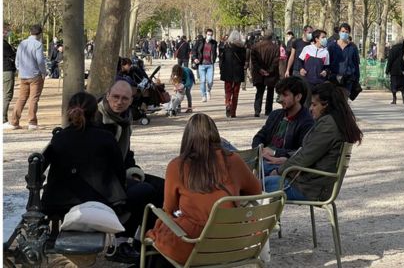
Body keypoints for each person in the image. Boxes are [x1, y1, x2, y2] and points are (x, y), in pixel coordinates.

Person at [146, 113, 262, 266]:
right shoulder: (233, 160)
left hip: (195, 244)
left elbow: (170, 208)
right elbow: (256, 190)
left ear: (187, 137)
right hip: (232, 242)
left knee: (159, 230)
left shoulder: (178, 166)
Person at [96, 81, 165, 261]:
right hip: (99, 178)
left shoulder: (125, 118)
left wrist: (134, 171)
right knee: (143, 192)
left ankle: (143, 240)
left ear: (131, 100)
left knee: (162, 187)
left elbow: (126, 153)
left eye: (125, 98)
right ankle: (119, 244)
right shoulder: (97, 118)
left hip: (120, 172)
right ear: (108, 95)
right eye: (116, 97)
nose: (119, 102)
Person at [263, 82, 363, 201]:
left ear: (325, 105)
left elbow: (306, 156)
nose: (310, 108)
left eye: (314, 105)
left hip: (309, 188)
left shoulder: (328, 125)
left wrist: (278, 171)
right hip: (312, 182)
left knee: (255, 186)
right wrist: (285, 159)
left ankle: (255, 218)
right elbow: (308, 153)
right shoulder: (335, 122)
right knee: (260, 169)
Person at [41, 92, 127, 219]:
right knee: (143, 191)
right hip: (103, 202)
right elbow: (119, 171)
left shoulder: (59, 138)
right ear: (95, 113)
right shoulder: (105, 137)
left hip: (59, 203)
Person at [252, 76, 314, 175]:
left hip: (278, 165)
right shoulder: (276, 115)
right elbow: (259, 136)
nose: (280, 99)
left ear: (298, 97)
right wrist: (260, 150)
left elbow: (301, 152)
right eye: (280, 95)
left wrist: (275, 153)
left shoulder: (307, 122)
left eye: (285, 95)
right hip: (261, 158)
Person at [5, 24, 47, 130]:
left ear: (30, 32)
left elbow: (17, 60)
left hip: (23, 75)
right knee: (33, 99)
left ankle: (14, 121)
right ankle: (32, 122)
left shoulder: (22, 44)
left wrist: (20, 69)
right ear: (40, 34)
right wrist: (43, 72)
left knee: (21, 98)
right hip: (35, 75)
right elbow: (40, 61)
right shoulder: (38, 45)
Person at [327, 23, 361, 100]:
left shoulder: (352, 47)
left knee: (344, 101)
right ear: (339, 32)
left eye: (346, 32)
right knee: (334, 101)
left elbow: (356, 64)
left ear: (349, 33)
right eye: (342, 31)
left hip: (348, 79)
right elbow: (327, 63)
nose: (344, 34)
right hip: (334, 78)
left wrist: (357, 79)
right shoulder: (332, 46)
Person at [251, 29, 280, 117]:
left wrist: (260, 69)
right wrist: (269, 70)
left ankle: (257, 110)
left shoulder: (256, 46)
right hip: (271, 74)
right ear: (272, 37)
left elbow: (254, 60)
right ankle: (268, 110)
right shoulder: (275, 47)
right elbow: (276, 61)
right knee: (270, 92)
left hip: (259, 73)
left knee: (259, 92)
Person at [219, 30, 246, 118]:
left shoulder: (226, 47)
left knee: (228, 90)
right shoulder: (242, 48)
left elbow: (222, 59)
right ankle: (233, 112)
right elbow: (243, 61)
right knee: (236, 92)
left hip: (227, 71)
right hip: (238, 72)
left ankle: (228, 103)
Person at [192, 29, 218, 102]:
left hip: (210, 64)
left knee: (210, 81)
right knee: (202, 81)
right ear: (206, 34)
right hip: (201, 64)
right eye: (208, 34)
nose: (209, 36)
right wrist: (195, 58)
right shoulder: (200, 42)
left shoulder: (214, 43)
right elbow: (194, 50)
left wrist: (214, 59)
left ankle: (208, 90)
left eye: (211, 35)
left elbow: (215, 52)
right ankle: (203, 96)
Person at [385, 36, 404, 105]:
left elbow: (390, 60)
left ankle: (394, 99)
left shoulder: (393, 49)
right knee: (403, 84)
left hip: (394, 70)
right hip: (403, 69)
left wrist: (387, 70)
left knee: (393, 84)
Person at [3, 23, 16, 124]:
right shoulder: (4, 44)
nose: (7, 32)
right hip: (6, 70)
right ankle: (3, 118)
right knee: (7, 95)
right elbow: (12, 56)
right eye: (6, 30)